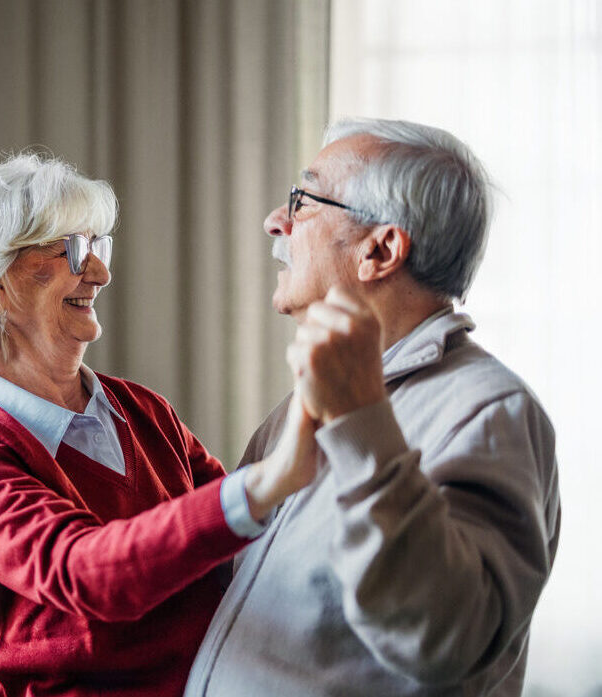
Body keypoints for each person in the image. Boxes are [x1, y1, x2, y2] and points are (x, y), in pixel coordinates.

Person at [0, 153, 316, 697]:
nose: (100, 271)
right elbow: (86, 573)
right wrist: (269, 480)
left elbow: (246, 547)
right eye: (71, 249)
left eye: (97, 246)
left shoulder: (142, 411)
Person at [186, 118, 560, 696]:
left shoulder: (492, 411)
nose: (275, 221)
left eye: (303, 199)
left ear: (380, 249)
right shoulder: (299, 409)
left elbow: (444, 636)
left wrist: (362, 428)